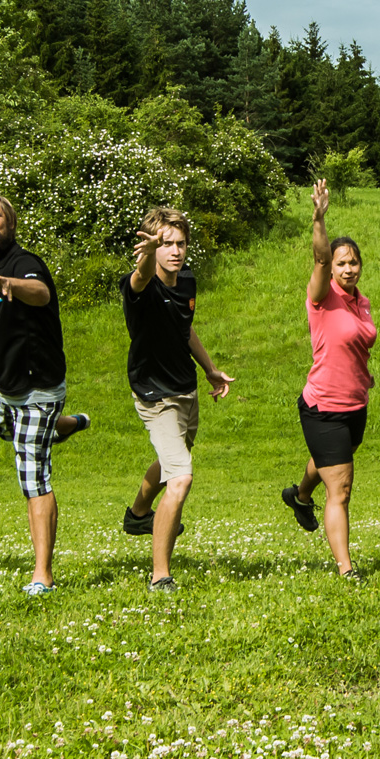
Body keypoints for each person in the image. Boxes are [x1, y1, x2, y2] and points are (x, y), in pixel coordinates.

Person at [0, 189, 90, 596]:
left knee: (33, 476)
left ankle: (42, 574)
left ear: (9, 223)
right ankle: (61, 426)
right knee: (4, 430)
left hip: (38, 390)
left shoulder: (26, 265)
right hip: (2, 386)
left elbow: (40, 292)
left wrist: (12, 283)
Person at [118, 206, 233, 591]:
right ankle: (160, 575)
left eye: (180, 243)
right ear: (152, 247)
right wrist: (148, 255)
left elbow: (185, 331)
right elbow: (140, 277)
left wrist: (210, 369)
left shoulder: (187, 283)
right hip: (155, 396)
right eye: (166, 243)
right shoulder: (138, 286)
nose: (175, 250)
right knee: (180, 478)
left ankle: (137, 514)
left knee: (172, 463)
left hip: (186, 391)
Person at [281, 179, 375, 578]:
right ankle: (346, 569)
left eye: (353, 262)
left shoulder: (361, 301)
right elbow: (318, 260)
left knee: (328, 463)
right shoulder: (321, 296)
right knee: (341, 488)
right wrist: (319, 219)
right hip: (324, 407)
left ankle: (300, 495)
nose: (348, 268)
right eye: (341, 263)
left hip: (356, 405)